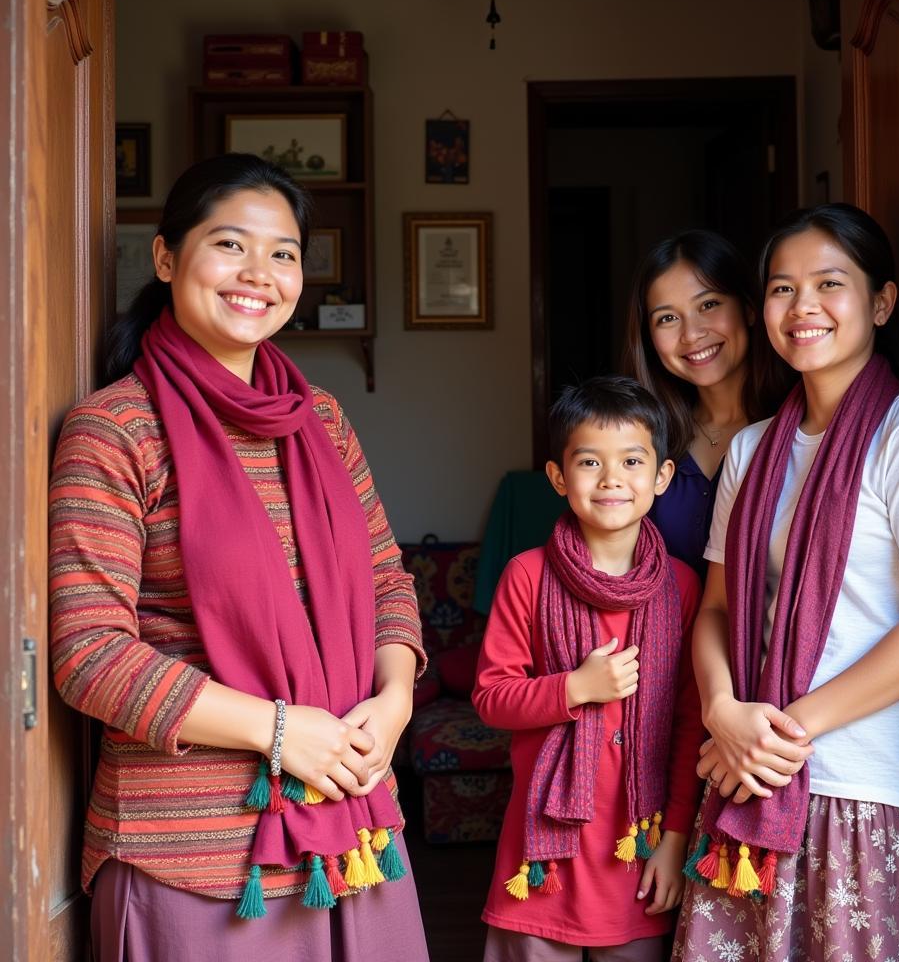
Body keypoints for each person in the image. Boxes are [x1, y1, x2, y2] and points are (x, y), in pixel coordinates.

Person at [49, 154, 430, 961]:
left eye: (284, 253)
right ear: (165, 258)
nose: (259, 273)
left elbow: (388, 578)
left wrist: (393, 702)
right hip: (194, 860)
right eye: (230, 244)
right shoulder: (116, 429)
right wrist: (281, 732)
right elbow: (88, 654)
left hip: (356, 833)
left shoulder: (320, 420)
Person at [673, 204, 899, 960]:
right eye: (781, 289)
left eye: (829, 284)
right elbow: (717, 609)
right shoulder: (754, 449)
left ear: (881, 302)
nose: (802, 309)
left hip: (859, 786)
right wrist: (725, 709)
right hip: (745, 781)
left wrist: (779, 736)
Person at [473, 376, 706, 962]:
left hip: (638, 851)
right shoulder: (526, 576)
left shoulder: (680, 587)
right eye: (589, 462)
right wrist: (575, 688)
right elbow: (491, 697)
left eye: (632, 461)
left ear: (661, 477)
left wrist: (674, 842)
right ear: (558, 477)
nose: (611, 479)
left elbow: (689, 724)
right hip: (542, 855)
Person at [622, 230, 791, 578]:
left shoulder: (802, 425)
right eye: (667, 318)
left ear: (748, 308)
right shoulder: (644, 441)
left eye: (709, 305)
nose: (691, 334)